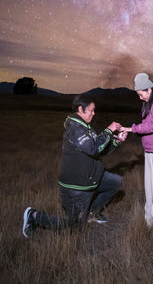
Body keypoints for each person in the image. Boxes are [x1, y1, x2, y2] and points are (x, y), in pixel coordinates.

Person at [23, 93, 127, 237]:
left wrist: (117, 141)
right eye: (91, 110)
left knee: (116, 182)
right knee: (75, 229)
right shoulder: (75, 129)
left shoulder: (85, 127)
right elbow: (94, 148)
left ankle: (92, 213)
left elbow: (97, 150)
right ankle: (34, 216)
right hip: (77, 188)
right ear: (81, 109)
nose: (94, 113)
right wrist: (109, 130)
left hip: (92, 178)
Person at [121, 73, 153, 230]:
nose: (140, 97)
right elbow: (148, 123)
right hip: (150, 149)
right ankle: (150, 220)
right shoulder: (151, 101)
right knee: (150, 187)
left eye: (140, 94)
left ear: (149, 89)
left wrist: (131, 129)